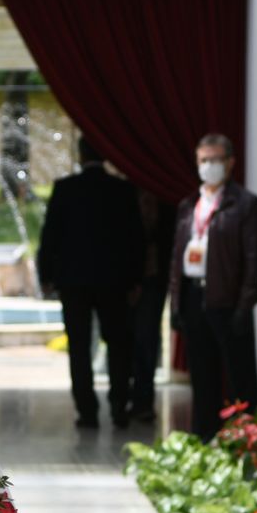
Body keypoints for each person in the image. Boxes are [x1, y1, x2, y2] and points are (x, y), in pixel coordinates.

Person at [35, 137, 143, 428]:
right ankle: (120, 405)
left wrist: (45, 276)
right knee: (118, 344)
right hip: (115, 282)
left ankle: (87, 411)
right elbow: (135, 238)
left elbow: (50, 237)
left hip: (74, 282)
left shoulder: (65, 188)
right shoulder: (122, 190)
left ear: (80, 155)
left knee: (80, 347)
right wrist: (136, 280)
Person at [170, 133, 257, 440]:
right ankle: (205, 442)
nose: (209, 166)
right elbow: (177, 258)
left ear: (230, 162)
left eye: (215, 160)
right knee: (203, 379)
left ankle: (246, 446)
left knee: (240, 382)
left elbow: (254, 260)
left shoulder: (245, 205)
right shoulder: (189, 206)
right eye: (203, 160)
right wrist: (175, 304)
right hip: (195, 298)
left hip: (229, 301)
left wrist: (244, 304)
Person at [127, 183, 175, 422]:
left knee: (147, 340)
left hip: (154, 279)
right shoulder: (125, 194)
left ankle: (143, 398)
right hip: (125, 282)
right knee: (125, 340)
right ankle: (125, 396)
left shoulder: (166, 198)